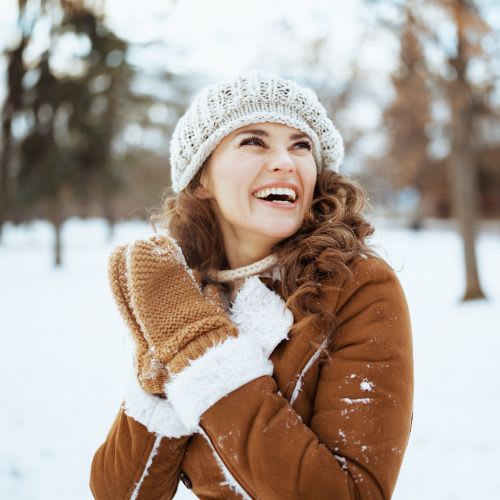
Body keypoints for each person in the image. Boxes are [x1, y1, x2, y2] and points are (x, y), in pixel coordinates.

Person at [89, 72, 414, 499]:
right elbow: (122, 493)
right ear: (201, 178)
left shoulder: (359, 287)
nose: (286, 161)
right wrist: (167, 346)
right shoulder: (186, 293)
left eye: (302, 145)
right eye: (253, 141)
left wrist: (202, 352)